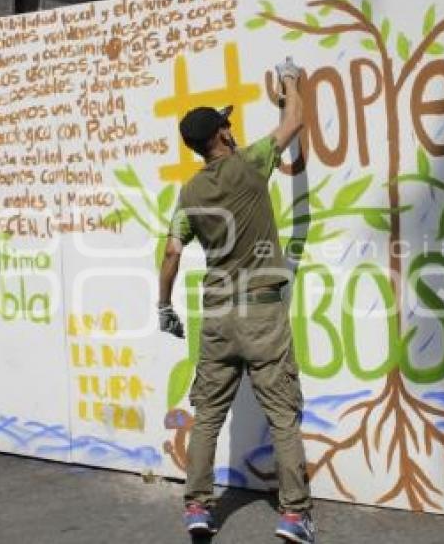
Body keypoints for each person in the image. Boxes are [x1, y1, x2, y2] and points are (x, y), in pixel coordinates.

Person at [157, 57, 315, 544]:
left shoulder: (189, 193)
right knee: (282, 417)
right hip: (263, 313)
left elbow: (171, 252)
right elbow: (295, 121)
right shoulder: (251, 163)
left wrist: (164, 307)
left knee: (207, 415)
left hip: (218, 317)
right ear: (223, 136)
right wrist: (290, 78)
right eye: (229, 123)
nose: (233, 127)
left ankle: (198, 509)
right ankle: (294, 516)